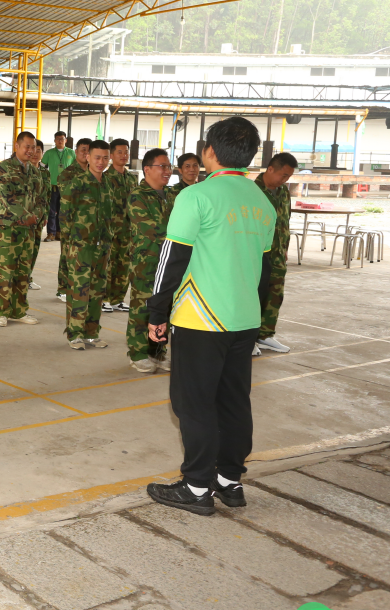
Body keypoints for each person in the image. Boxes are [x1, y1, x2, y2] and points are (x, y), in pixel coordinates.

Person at [146, 117, 274, 516]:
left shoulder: (196, 196)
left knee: (194, 404)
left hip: (200, 318)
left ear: (210, 152)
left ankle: (197, 486)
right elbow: (265, 270)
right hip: (244, 318)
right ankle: (229, 481)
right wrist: (254, 316)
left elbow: (171, 258)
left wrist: (156, 312)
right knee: (234, 401)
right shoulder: (262, 202)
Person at [60, 139, 117, 349]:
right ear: (87, 157)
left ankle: (91, 333)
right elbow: (65, 215)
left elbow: (112, 215)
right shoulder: (77, 183)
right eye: (97, 157)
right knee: (79, 290)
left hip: (102, 246)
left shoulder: (108, 184)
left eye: (105, 158)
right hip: (81, 246)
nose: (101, 162)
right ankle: (75, 334)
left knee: (97, 291)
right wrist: (72, 244)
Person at [125, 148, 176, 373]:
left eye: (169, 166)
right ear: (147, 169)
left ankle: (158, 352)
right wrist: (180, 236)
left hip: (169, 262)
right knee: (142, 307)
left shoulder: (172, 196)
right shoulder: (138, 196)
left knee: (164, 307)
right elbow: (151, 228)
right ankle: (137, 353)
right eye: (162, 166)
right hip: (146, 262)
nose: (167, 171)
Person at [0, 132, 40, 327]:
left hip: (28, 229)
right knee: (5, 270)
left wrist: (37, 215)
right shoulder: (4, 168)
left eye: (33, 147)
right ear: (17, 146)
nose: (30, 150)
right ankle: (1, 312)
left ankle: (19, 311)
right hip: (8, 227)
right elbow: (5, 197)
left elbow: (41, 198)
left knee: (23, 271)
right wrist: (26, 216)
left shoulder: (34, 171)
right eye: (27, 146)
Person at [255, 153, 297, 354]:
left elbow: (285, 222)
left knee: (275, 294)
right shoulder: (252, 191)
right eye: (283, 175)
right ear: (270, 169)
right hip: (257, 253)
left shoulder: (283, 192)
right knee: (254, 294)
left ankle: (265, 335)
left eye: (288, 176)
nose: (285, 180)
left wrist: (284, 248)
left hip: (278, 253)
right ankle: (248, 338)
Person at [56, 138, 94, 302]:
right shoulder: (68, 174)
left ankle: (81, 287)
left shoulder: (94, 173)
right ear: (76, 152)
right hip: (71, 222)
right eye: (83, 149)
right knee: (67, 255)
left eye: (89, 150)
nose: (86, 153)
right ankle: (63, 289)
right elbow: (69, 197)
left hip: (89, 224)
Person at [102, 138, 138, 313]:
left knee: (124, 265)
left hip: (128, 229)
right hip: (110, 229)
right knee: (108, 264)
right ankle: (104, 298)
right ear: (111, 155)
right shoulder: (105, 178)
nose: (124, 155)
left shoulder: (131, 178)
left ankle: (118, 299)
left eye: (126, 152)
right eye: (120, 152)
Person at [42, 131, 74, 242]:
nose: (60, 141)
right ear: (54, 141)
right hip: (53, 186)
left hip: (66, 187)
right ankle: (51, 233)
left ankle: (60, 233)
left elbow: (76, 168)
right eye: (58, 139)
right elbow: (41, 167)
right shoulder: (49, 153)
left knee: (63, 211)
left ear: (66, 140)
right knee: (51, 211)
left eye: (62, 139)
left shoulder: (71, 153)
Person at [28, 140, 50, 291]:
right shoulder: (24, 170)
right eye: (33, 150)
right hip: (25, 217)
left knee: (34, 248)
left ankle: (28, 278)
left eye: (39, 151)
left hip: (40, 216)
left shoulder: (45, 172)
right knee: (24, 250)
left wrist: (46, 214)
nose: (36, 154)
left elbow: (47, 195)